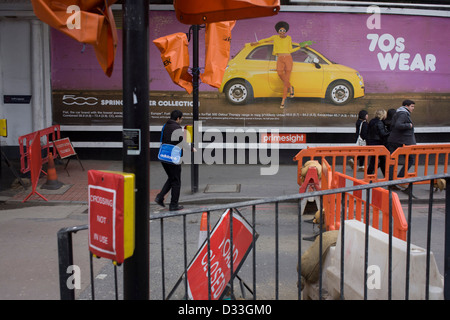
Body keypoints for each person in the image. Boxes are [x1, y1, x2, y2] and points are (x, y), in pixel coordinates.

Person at [251, 21, 301, 109]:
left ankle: (283, 101)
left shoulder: (289, 38)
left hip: (288, 58)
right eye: (280, 30)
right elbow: (265, 40)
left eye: (284, 30)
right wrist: (257, 43)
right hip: (280, 59)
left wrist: (300, 47)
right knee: (280, 73)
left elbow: (290, 49)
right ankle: (291, 87)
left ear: (286, 31)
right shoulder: (275, 37)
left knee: (286, 81)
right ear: (278, 31)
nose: (282, 32)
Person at [155, 110, 193, 211]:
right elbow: (182, 142)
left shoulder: (165, 125)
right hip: (173, 158)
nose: (181, 120)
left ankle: (160, 197)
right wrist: (191, 148)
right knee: (176, 181)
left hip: (163, 156)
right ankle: (173, 204)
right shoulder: (177, 128)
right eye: (181, 118)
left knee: (172, 178)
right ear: (178, 118)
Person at [387, 99, 416, 180]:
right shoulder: (403, 113)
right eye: (412, 106)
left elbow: (393, 126)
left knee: (393, 160)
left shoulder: (398, 113)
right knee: (410, 159)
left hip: (394, 139)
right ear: (406, 106)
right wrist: (409, 125)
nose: (413, 108)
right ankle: (400, 177)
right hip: (401, 141)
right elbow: (398, 125)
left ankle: (391, 180)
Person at [367, 109, 390, 176]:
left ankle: (370, 173)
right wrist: (390, 132)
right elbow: (382, 133)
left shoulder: (372, 121)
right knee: (379, 160)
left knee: (376, 159)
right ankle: (369, 174)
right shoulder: (379, 122)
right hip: (378, 143)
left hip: (371, 142)